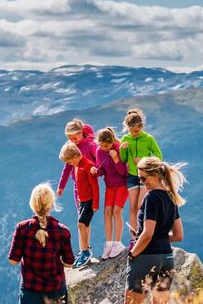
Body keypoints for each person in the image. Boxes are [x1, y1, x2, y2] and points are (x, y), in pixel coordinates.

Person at [8, 183, 75, 304]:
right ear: (51, 204)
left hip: (30, 290)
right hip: (54, 290)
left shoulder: (22, 229)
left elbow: (13, 260)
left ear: (33, 204)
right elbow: (69, 262)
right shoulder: (62, 231)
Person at [125, 157, 186, 304]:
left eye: (144, 178)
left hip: (147, 257)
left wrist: (133, 253)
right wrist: (153, 237)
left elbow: (148, 233)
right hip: (167, 258)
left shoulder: (151, 198)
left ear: (155, 175)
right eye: (140, 179)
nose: (142, 182)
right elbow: (179, 236)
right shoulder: (171, 198)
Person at [56, 119, 98, 255]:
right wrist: (61, 186)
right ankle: (83, 248)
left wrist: (95, 169)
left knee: (84, 221)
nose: (73, 141)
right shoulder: (71, 148)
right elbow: (67, 169)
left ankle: (85, 249)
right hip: (77, 188)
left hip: (88, 187)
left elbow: (98, 161)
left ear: (81, 133)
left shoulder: (90, 145)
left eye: (75, 137)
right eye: (70, 139)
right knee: (81, 219)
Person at [119, 109, 163, 231]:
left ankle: (143, 233)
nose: (133, 134)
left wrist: (144, 161)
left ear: (141, 126)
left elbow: (159, 156)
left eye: (136, 131)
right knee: (132, 208)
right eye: (131, 131)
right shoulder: (126, 138)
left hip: (145, 176)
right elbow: (123, 160)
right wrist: (122, 149)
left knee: (141, 205)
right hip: (132, 176)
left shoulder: (149, 139)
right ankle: (134, 236)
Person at [90, 127, 128, 260]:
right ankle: (109, 243)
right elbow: (101, 171)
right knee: (107, 212)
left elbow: (124, 172)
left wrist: (116, 159)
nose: (104, 148)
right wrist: (96, 170)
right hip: (110, 186)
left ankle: (118, 243)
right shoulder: (99, 150)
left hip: (122, 185)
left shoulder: (119, 148)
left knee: (117, 212)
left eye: (107, 145)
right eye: (102, 145)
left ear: (112, 141)